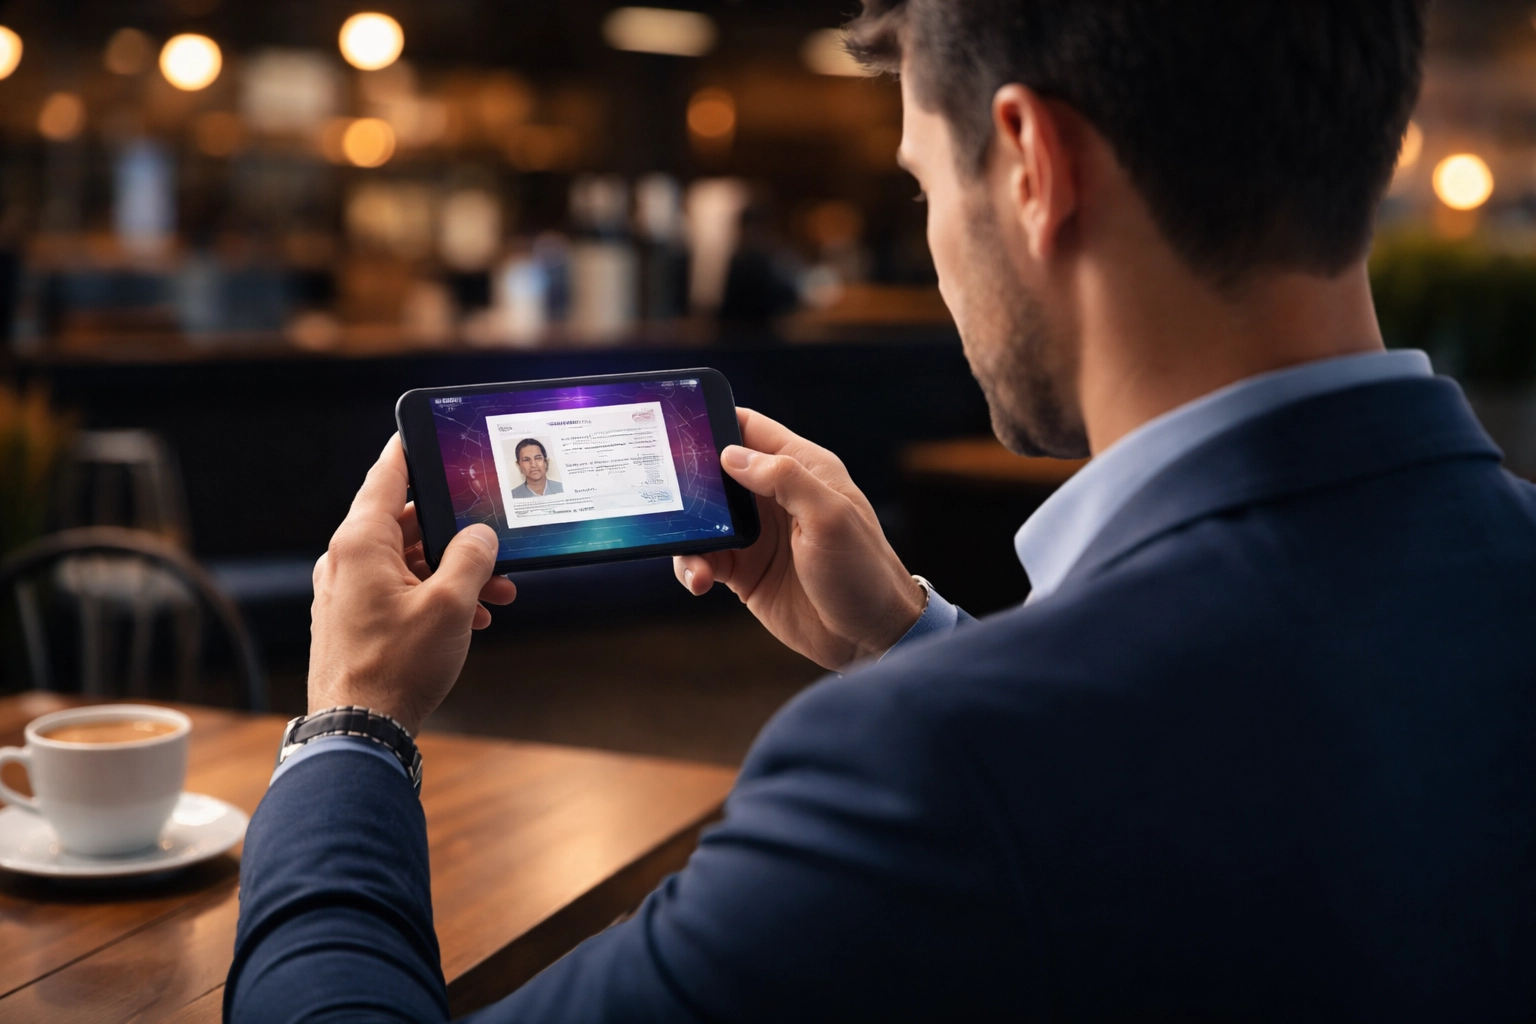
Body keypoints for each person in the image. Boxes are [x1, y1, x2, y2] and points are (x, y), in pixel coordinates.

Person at [227, 1, 1536, 1020]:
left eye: (922, 186)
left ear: (1029, 163)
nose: (933, 243)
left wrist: (350, 724)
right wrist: (907, 634)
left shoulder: (936, 773)